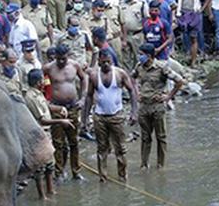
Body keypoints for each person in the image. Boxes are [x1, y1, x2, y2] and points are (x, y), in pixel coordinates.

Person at [84, 50, 137, 182]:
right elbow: (89, 96)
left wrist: (134, 112)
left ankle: (123, 177)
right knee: (102, 148)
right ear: (99, 61)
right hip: (100, 116)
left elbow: (132, 91)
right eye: (103, 62)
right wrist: (84, 119)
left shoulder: (120, 73)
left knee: (120, 148)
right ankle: (103, 177)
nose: (106, 64)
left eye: (109, 61)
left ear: (112, 61)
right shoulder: (94, 75)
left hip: (117, 115)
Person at [24, 69, 75, 200]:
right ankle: (42, 196)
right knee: (40, 166)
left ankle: (50, 190)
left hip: (46, 134)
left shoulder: (38, 94)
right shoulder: (30, 97)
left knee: (50, 164)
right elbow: (42, 120)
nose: (44, 81)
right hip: (38, 134)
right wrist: (60, 121)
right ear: (37, 82)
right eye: (42, 79)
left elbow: (46, 106)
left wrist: (59, 109)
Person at [132, 43, 184, 169]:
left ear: (148, 56)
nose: (139, 56)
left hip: (157, 106)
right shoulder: (139, 67)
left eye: (141, 54)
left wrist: (168, 97)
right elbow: (132, 78)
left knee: (161, 137)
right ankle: (144, 164)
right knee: (145, 137)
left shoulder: (161, 67)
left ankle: (161, 165)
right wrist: (136, 92)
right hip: (144, 105)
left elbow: (179, 81)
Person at [44, 44, 88, 181]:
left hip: (73, 107)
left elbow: (84, 78)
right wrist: (45, 103)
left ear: (68, 56)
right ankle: (59, 172)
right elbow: (38, 83)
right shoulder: (49, 68)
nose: (62, 62)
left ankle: (76, 172)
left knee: (73, 141)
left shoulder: (74, 65)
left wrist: (83, 98)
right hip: (57, 108)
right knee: (58, 142)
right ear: (55, 57)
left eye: (64, 59)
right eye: (59, 59)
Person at [173, 0, 210, 67]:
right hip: (182, 13)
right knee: (185, 33)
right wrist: (174, 15)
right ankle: (189, 52)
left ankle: (201, 52)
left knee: (197, 34)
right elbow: (174, 1)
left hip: (195, 13)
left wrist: (202, 9)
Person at [119, 0, 147, 69]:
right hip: (125, 35)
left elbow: (146, 19)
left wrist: (145, 36)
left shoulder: (141, 3)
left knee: (138, 57)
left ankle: (138, 77)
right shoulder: (121, 3)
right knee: (125, 59)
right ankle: (127, 77)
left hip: (137, 35)